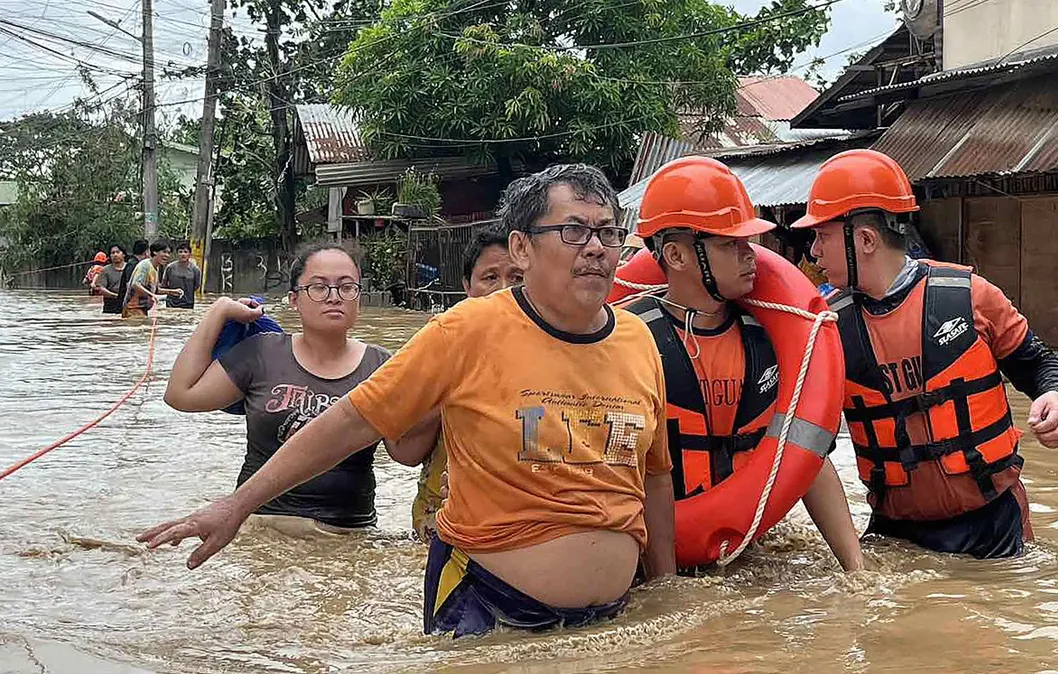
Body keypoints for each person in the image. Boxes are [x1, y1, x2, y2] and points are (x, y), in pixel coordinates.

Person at [138, 164, 676, 639]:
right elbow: (351, 421)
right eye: (574, 230)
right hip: (488, 612)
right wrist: (237, 505)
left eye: (607, 231)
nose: (596, 247)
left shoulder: (638, 342)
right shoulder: (467, 329)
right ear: (521, 248)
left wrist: (670, 588)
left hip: (612, 618)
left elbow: (654, 477)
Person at [792, 149, 1058, 559]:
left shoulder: (971, 297)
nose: (813, 251)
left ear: (865, 240)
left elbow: (1040, 365)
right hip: (894, 535)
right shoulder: (829, 332)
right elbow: (811, 452)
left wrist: (1056, 397)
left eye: (822, 236)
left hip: (994, 527)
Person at [626, 156, 864, 572]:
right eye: (729, 245)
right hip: (658, 561)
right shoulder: (628, 341)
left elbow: (807, 459)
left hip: (751, 550)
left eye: (747, 241)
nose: (751, 255)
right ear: (677, 256)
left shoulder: (772, 337)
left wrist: (856, 570)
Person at [156, 243, 395, 533]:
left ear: (359, 297)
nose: (334, 297)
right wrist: (217, 311)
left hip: (347, 532)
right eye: (319, 287)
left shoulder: (383, 365)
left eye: (347, 287)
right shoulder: (262, 352)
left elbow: (406, 454)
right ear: (294, 299)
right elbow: (180, 395)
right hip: (256, 525)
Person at [405, 223, 525, 542]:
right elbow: (403, 451)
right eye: (490, 278)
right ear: (467, 288)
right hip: (438, 523)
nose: (503, 290)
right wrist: (450, 392)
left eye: (517, 278)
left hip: (522, 525)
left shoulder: (558, 351)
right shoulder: (444, 343)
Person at [123, 240, 181, 317]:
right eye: (164, 252)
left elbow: (155, 290)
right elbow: (135, 284)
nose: (167, 255)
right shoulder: (145, 265)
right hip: (132, 309)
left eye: (169, 253)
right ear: (155, 252)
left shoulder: (156, 268)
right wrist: (152, 296)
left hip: (143, 309)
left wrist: (172, 292)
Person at [161, 243, 203, 309]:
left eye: (185, 252)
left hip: (188, 302)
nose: (183, 254)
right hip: (171, 302)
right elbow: (164, 284)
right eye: (180, 252)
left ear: (190, 254)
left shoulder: (195, 269)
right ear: (177, 254)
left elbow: (197, 286)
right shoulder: (170, 267)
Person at [93, 245, 129, 314]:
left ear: (124, 254)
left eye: (117, 252)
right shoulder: (105, 270)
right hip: (110, 305)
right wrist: (115, 296)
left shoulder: (130, 268)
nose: (115, 255)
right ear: (109, 256)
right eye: (113, 253)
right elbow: (101, 288)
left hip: (128, 303)